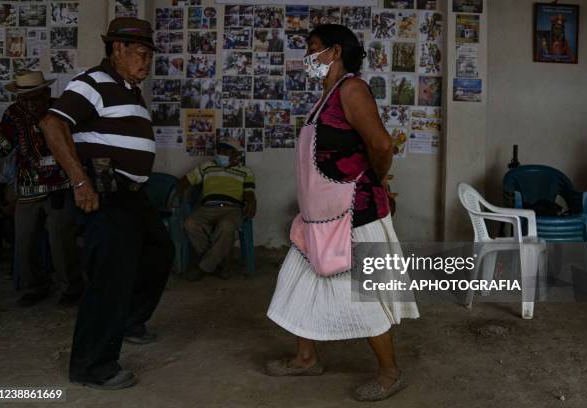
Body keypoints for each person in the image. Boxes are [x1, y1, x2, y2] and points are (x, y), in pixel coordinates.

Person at [265, 24, 419, 402]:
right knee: (295, 283)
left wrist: (377, 180)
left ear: (334, 51)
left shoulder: (352, 89)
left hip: (353, 214)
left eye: (313, 48)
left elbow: (381, 144)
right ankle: (306, 358)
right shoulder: (324, 96)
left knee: (363, 294)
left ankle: (389, 372)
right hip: (318, 217)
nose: (308, 57)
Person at [40, 17, 174, 390]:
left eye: (149, 56)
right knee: (109, 278)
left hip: (132, 195)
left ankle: (130, 321)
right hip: (105, 193)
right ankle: (92, 366)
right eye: (141, 55)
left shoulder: (128, 88)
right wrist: (80, 182)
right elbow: (52, 125)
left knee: (159, 253)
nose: (147, 63)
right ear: (117, 49)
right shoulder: (92, 83)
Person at [0, 70, 83, 307]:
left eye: (35, 98)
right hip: (29, 188)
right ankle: (36, 286)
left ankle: (71, 287)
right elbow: (0, 144)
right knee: (24, 242)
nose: (30, 104)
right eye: (24, 99)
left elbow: (78, 145)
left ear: (47, 94)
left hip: (59, 187)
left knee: (61, 242)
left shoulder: (60, 112)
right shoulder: (13, 115)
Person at [175, 140, 256, 281]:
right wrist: (176, 196)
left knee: (226, 226)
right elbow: (183, 182)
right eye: (220, 150)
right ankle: (221, 262)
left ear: (235, 154)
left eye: (226, 151)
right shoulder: (207, 167)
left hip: (232, 209)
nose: (221, 154)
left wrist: (252, 202)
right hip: (207, 208)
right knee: (190, 223)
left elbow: (249, 193)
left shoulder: (245, 171)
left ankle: (203, 268)